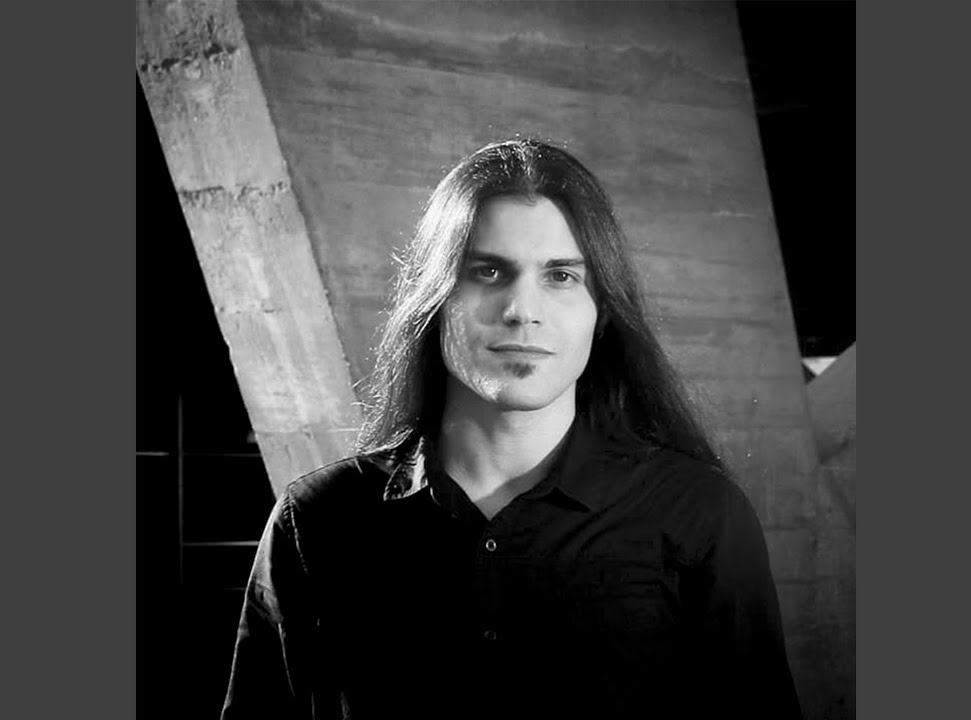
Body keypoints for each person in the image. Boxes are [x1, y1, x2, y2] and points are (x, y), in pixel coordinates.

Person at [221, 138, 802, 719]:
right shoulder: (316, 520)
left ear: (602, 312)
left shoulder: (699, 514)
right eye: (488, 271)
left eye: (561, 276)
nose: (523, 310)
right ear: (434, 299)